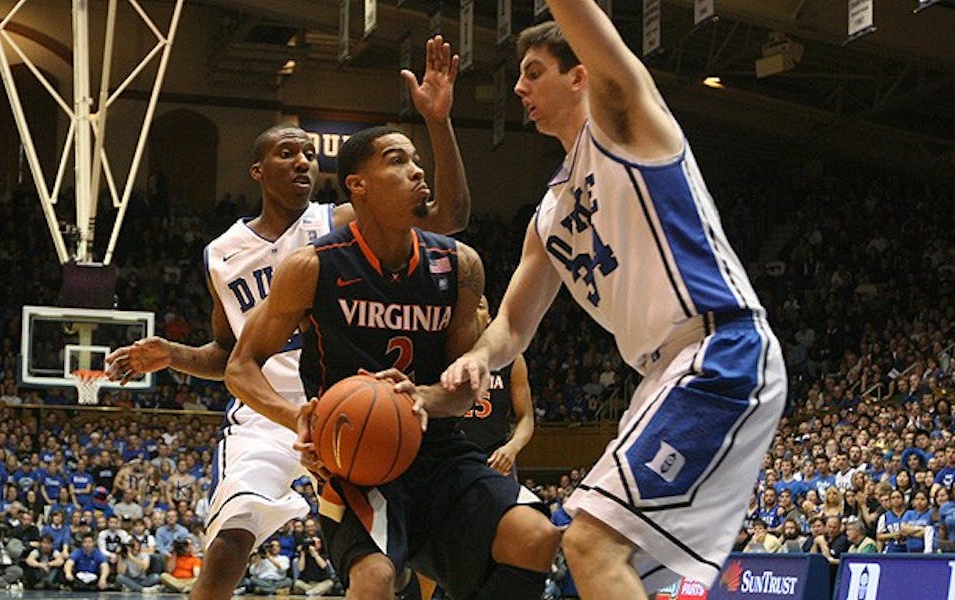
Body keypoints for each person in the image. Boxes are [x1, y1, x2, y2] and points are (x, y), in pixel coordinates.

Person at [106, 35, 471, 600]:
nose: (303, 160)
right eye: (287, 152)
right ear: (257, 170)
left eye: (308, 152)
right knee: (229, 541)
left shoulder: (341, 220)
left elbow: (445, 217)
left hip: (350, 403)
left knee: (397, 562)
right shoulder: (222, 254)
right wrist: (172, 355)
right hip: (268, 415)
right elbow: (231, 357)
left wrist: (439, 124)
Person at [440, 1, 786, 594]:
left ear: (580, 75)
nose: (518, 86)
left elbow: (584, 22)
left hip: (719, 349)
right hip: (662, 375)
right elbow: (512, 329)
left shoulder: (627, 122)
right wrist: (478, 356)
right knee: (584, 562)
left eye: (532, 70)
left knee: (589, 543)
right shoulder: (547, 213)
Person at [225, 125, 560, 600]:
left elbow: (467, 388)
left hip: (440, 452)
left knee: (536, 535)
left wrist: (418, 398)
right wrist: (300, 416)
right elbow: (240, 366)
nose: (417, 170)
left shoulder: (459, 265)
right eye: (398, 160)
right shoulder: (312, 266)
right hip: (358, 463)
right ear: (358, 184)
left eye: (416, 160)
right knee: (376, 578)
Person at [457, 295, 535, 477]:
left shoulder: (511, 359)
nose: (475, 312)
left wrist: (512, 447)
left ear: (490, 318)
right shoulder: (443, 353)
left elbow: (526, 417)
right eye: (469, 308)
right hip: (453, 457)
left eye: (480, 307)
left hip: (494, 457)